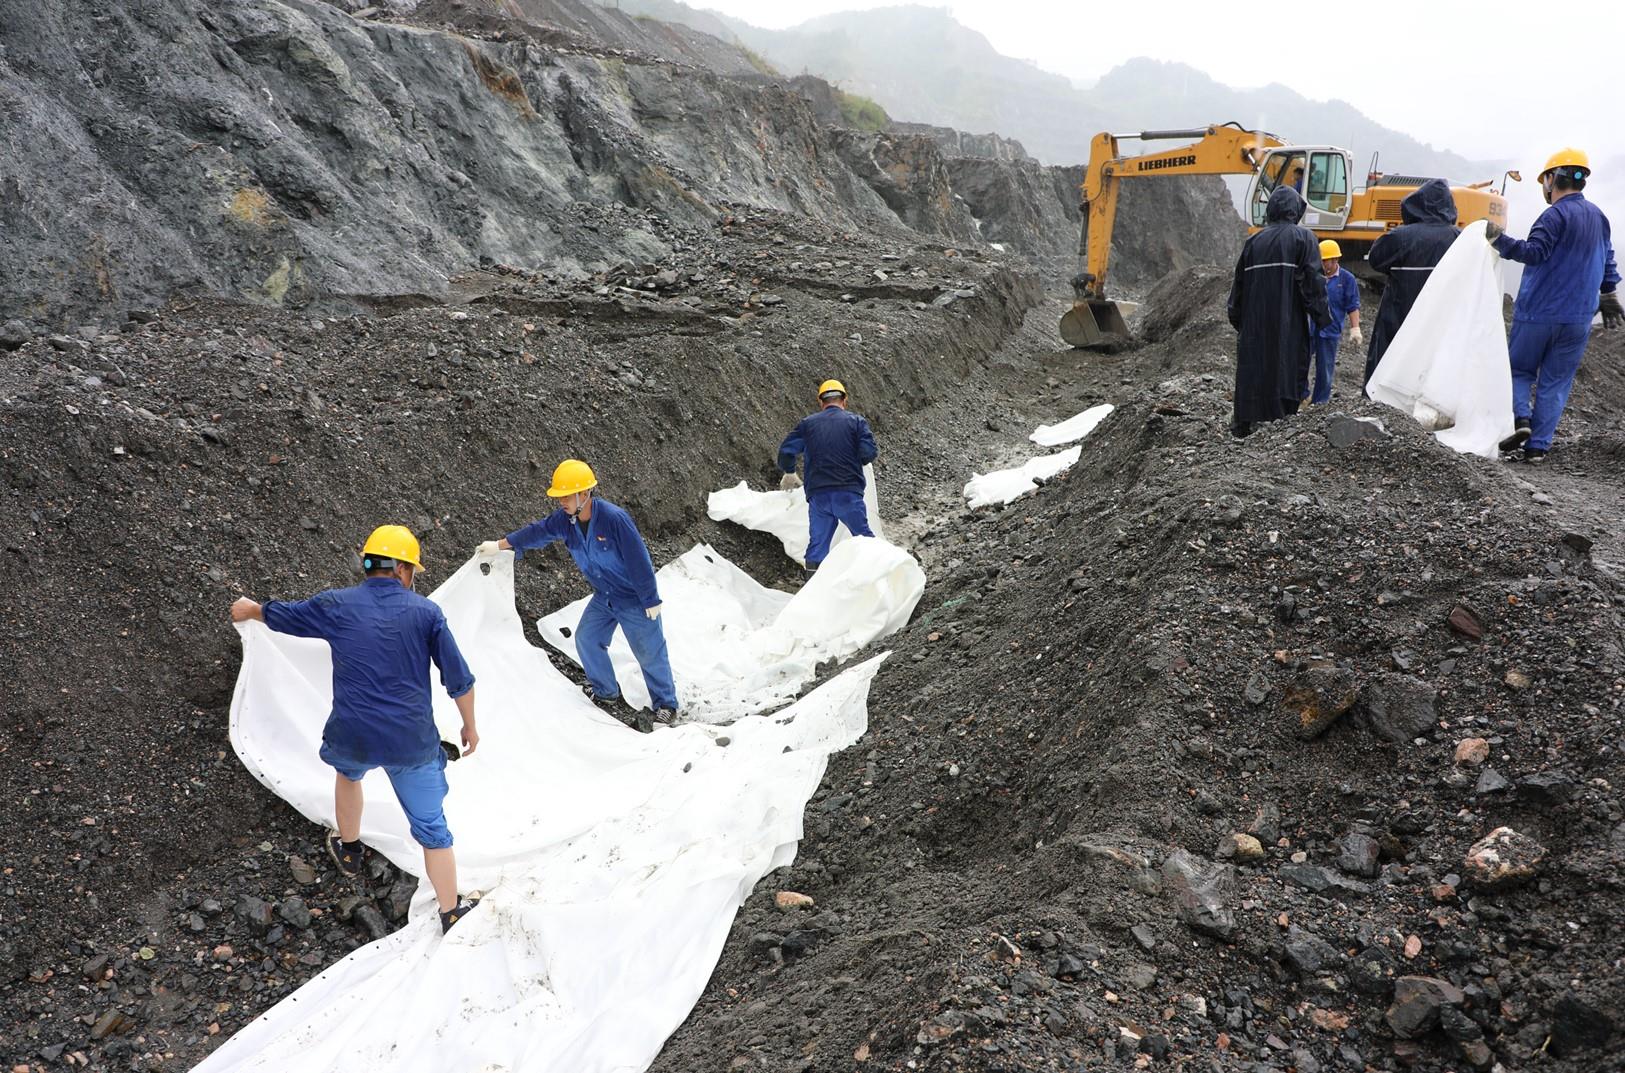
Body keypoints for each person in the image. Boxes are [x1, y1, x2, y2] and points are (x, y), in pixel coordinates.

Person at [229, 525, 481, 934]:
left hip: (354, 732)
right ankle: (450, 913)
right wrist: (469, 726)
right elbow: (459, 677)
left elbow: (287, 616)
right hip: (409, 741)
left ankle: (349, 850)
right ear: (402, 569)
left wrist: (253, 609)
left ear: (369, 565)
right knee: (433, 829)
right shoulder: (426, 613)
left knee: (348, 775)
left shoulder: (337, 604)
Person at [479, 460, 676, 732]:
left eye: (566, 495)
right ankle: (606, 691)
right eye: (559, 496)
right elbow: (538, 531)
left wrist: (651, 599)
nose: (561, 501)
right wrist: (501, 545)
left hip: (632, 597)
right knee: (587, 638)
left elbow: (638, 559)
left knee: (649, 652)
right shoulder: (566, 521)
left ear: (585, 494)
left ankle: (666, 705)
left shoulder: (614, 519)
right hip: (605, 594)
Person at [1487, 148, 1621, 463]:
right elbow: (1607, 258)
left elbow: (1534, 253)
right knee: (1556, 381)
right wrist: (1609, 292)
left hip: (1539, 313)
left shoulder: (1554, 215)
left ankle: (1521, 421)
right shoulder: (1599, 216)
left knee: (1518, 370)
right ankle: (1538, 448)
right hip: (1578, 319)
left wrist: (1498, 240)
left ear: (1551, 179)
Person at [1226, 186, 1332, 437]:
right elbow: (1313, 281)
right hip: (1288, 323)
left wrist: (1240, 320)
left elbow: (1237, 289)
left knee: (1253, 367)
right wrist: (1322, 315)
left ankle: (1246, 423)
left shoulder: (1253, 242)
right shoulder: (1303, 238)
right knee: (1286, 365)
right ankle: (1281, 422)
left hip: (1254, 325)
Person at [1363, 178, 1459, 386]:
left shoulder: (1401, 237)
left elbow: (1376, 259)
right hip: (1441, 322)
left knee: (1390, 369)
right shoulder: (1459, 238)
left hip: (1399, 317)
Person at [776, 379, 878, 572]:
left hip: (819, 496)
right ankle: (874, 583)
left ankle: (813, 593)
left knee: (817, 547)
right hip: (848, 493)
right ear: (844, 400)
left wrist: (789, 471)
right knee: (864, 539)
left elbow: (786, 451)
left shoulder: (807, 425)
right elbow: (868, 454)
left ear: (821, 401)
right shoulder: (856, 422)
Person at [1304, 239, 1362, 405]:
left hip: (1330, 330)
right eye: (1320, 260)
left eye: (1325, 261)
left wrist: (1355, 328)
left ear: (1335, 260)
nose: (1322, 264)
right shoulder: (1314, 276)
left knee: (1325, 368)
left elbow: (1352, 305)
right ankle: (1301, 395)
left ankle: (1319, 403)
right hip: (1309, 328)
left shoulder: (1346, 279)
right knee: (1300, 363)